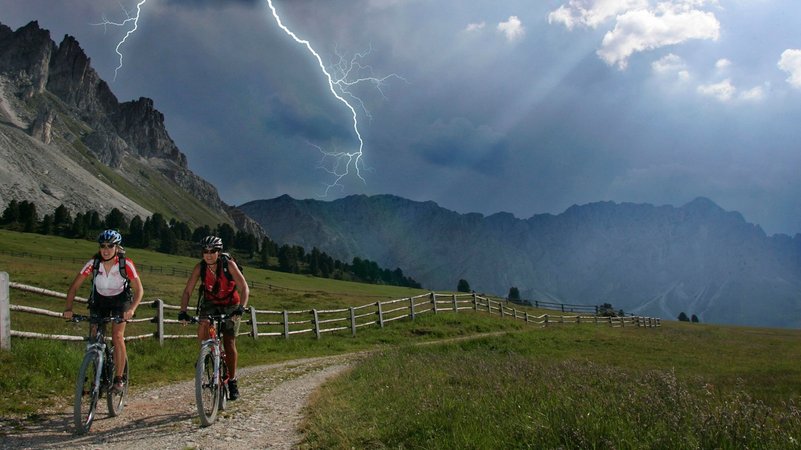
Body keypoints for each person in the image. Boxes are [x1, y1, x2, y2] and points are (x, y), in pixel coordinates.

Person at [63, 229, 144, 392]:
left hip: (120, 301)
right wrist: (68, 308)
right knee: (94, 338)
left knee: (117, 336)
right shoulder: (93, 263)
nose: (106, 250)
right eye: (103, 246)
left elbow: (139, 290)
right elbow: (74, 287)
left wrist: (132, 310)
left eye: (110, 246)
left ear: (116, 247)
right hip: (99, 301)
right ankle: (97, 376)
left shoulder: (125, 263)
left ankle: (119, 378)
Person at [179, 235, 249, 400]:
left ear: (219, 251)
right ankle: (205, 354)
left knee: (229, 341)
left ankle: (232, 380)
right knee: (203, 324)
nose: (209, 254)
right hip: (210, 302)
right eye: (205, 251)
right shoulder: (200, 268)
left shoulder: (228, 265)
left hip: (231, 304)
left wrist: (240, 309)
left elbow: (244, 287)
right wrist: (183, 311)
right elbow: (188, 291)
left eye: (213, 251)